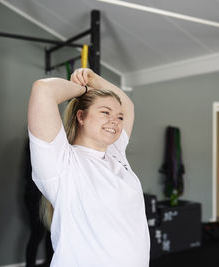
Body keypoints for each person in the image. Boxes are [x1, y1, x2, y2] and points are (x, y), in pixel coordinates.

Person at [27, 68, 150, 267]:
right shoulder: (61, 162)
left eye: (119, 117)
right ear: (81, 116)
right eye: (105, 112)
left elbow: (127, 105)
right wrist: (85, 90)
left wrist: (94, 79)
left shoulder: (115, 153)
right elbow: (43, 89)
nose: (115, 121)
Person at [23, 139, 54, 267]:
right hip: (35, 196)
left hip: (47, 196)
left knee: (51, 232)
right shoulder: (34, 147)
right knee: (38, 233)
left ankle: (50, 263)